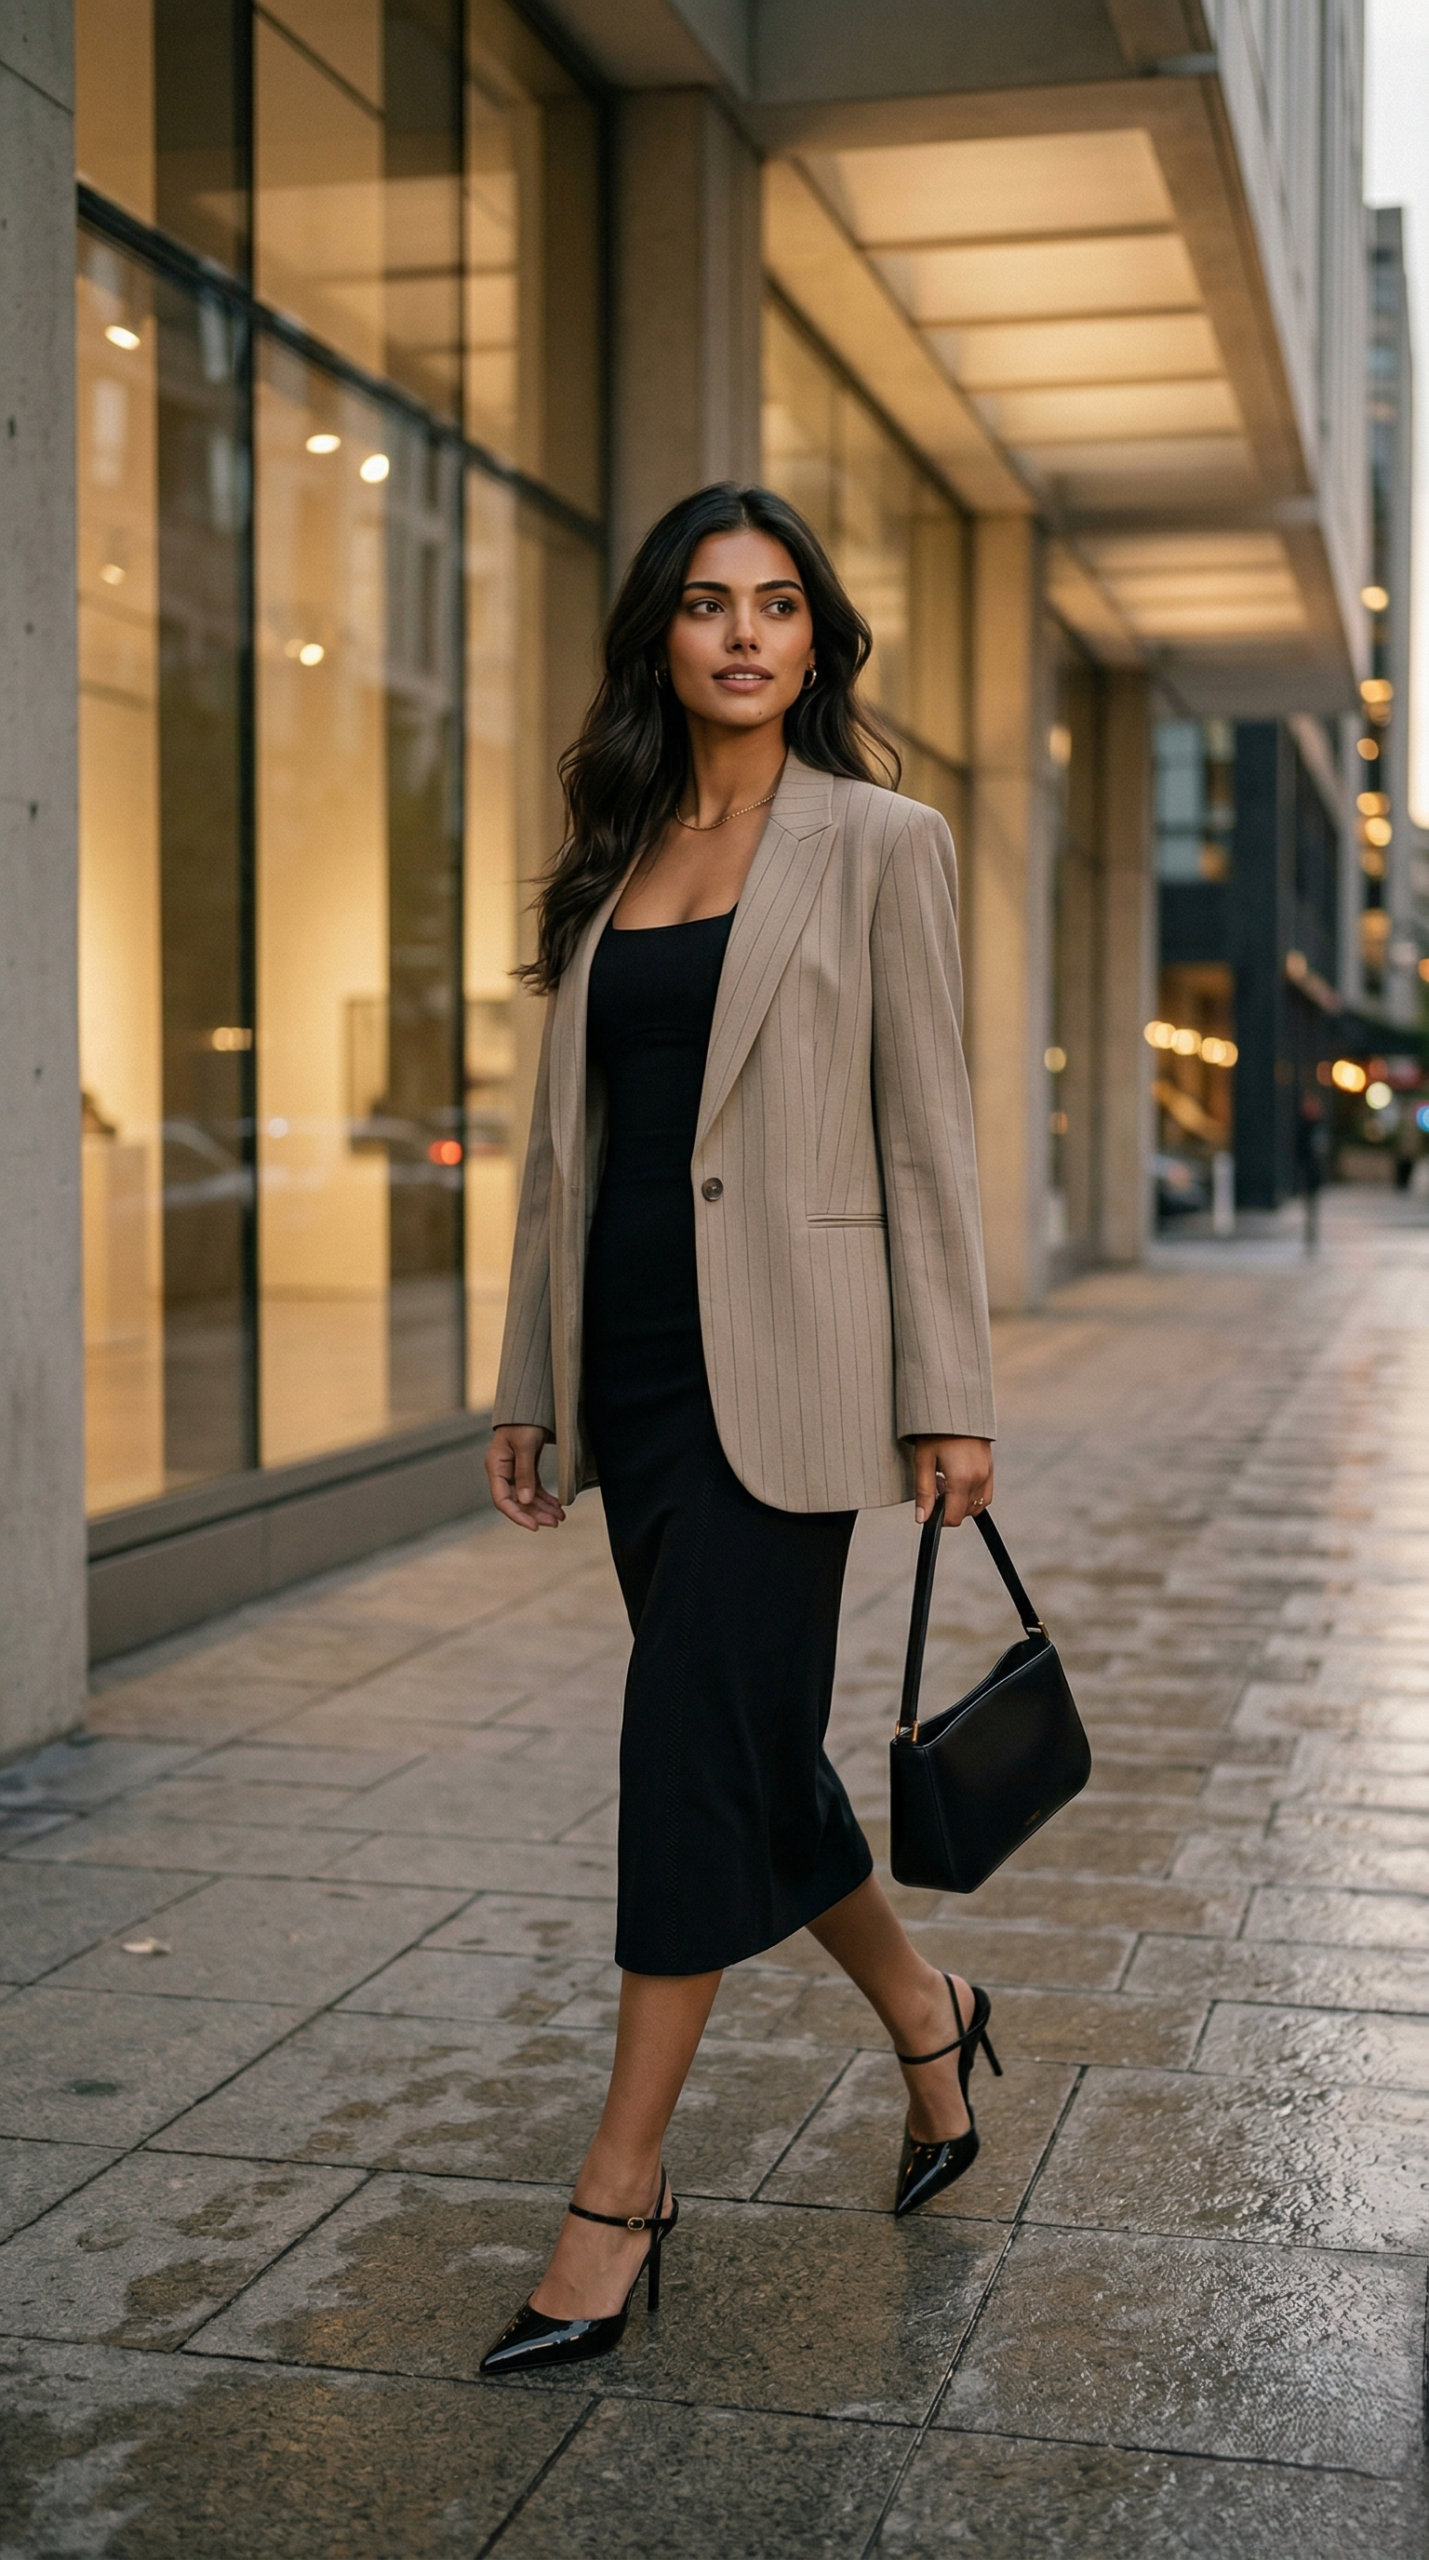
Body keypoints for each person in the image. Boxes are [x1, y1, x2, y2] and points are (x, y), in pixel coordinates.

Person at [480, 483, 998, 2377]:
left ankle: (620, 2195)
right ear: (662, 642)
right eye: (708, 606)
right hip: (630, 1367)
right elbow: (572, 1157)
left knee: (689, 1752)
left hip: (791, 1376)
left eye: (779, 605)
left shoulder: (880, 841)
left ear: (817, 640)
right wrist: (530, 1374)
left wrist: (951, 1395)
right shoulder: (613, 855)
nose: (745, 636)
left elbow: (927, 1128)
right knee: (752, 1758)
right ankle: (931, 2019)